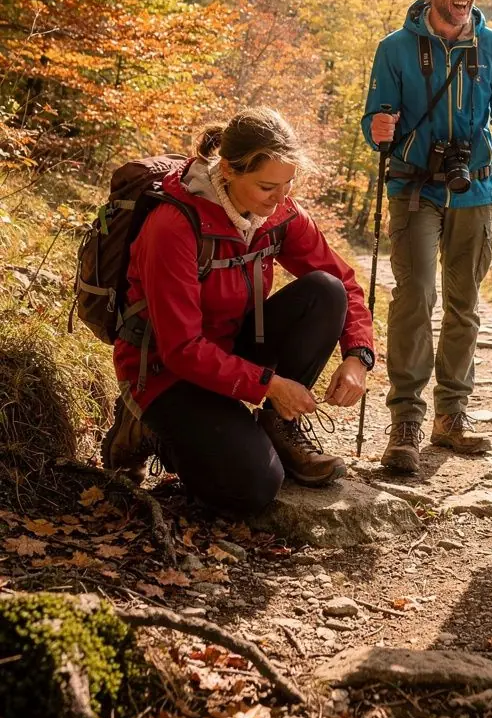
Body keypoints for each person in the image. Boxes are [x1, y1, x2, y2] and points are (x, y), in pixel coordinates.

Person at [101, 107, 376, 515]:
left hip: (232, 352)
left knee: (326, 291)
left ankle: (278, 427)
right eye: (268, 187)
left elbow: (345, 282)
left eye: (288, 184)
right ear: (228, 170)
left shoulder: (280, 212)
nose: (282, 199)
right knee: (252, 488)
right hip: (165, 371)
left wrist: (358, 355)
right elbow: (181, 348)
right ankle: (146, 429)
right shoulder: (173, 226)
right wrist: (269, 385)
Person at [362, 0, 492, 474]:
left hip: (474, 188)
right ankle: (406, 422)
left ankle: (451, 415)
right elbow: (375, 118)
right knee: (415, 296)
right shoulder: (394, 49)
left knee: (465, 302)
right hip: (414, 188)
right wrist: (377, 129)